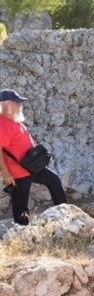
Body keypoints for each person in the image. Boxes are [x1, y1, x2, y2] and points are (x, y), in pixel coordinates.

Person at [0, 89, 67, 225]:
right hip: (19, 171)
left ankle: (65, 216)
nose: (20, 105)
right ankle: (22, 231)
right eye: (17, 102)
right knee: (20, 204)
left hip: (31, 166)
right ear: (6, 105)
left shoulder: (14, 119)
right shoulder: (2, 124)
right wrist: (6, 174)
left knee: (54, 180)